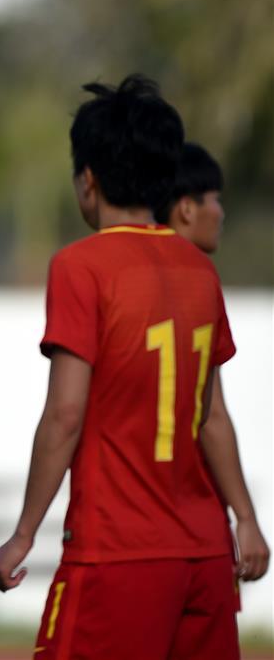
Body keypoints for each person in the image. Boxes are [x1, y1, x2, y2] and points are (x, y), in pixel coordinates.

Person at [0, 75, 258, 660]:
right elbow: (211, 417)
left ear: (88, 180)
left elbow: (65, 414)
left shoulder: (82, 266)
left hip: (118, 552)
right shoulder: (200, 270)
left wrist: (24, 534)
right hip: (206, 558)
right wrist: (246, 520)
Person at [155, 142, 269, 585]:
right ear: (185, 207)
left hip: (164, 530)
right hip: (178, 529)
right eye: (215, 199)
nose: (222, 212)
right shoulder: (196, 280)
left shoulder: (196, 280)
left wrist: (244, 516)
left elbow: (212, 412)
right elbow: (213, 413)